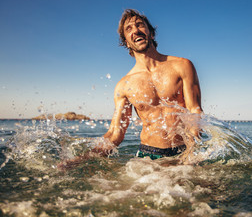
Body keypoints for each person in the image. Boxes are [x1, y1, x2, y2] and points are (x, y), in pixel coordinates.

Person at [59, 9, 202, 169]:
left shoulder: (182, 66)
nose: (135, 30)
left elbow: (194, 111)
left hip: (183, 153)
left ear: (151, 34)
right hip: (148, 157)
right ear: (127, 42)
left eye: (140, 25)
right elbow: (115, 135)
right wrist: (79, 160)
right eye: (129, 29)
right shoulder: (124, 85)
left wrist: (191, 151)